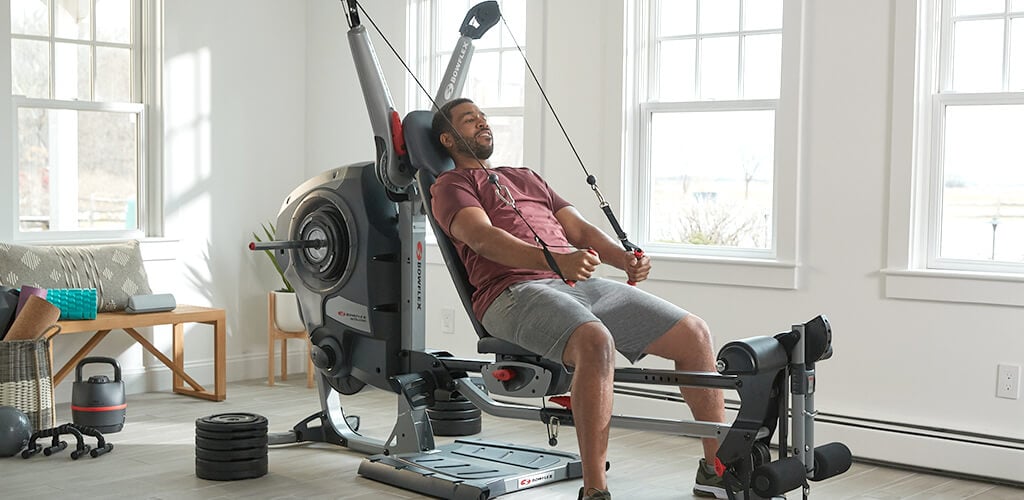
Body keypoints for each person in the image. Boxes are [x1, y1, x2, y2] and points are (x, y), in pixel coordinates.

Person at [429, 98, 729, 500]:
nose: (482, 122)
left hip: (576, 283)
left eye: (483, 116)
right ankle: (595, 489)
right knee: (596, 341)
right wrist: (555, 261)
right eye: (470, 120)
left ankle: (716, 470)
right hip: (511, 292)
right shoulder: (451, 185)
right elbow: (482, 238)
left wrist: (624, 258)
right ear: (448, 138)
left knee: (694, 333)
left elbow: (580, 230)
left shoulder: (525, 177)